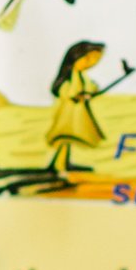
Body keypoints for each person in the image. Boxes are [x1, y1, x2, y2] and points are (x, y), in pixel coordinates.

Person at [45, 38, 109, 180]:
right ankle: (58, 166)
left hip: (77, 114)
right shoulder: (70, 77)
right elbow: (66, 91)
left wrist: (89, 92)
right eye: (87, 59)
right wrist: (80, 96)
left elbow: (89, 88)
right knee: (64, 139)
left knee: (68, 141)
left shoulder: (81, 76)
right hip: (68, 115)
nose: (90, 64)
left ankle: (63, 163)